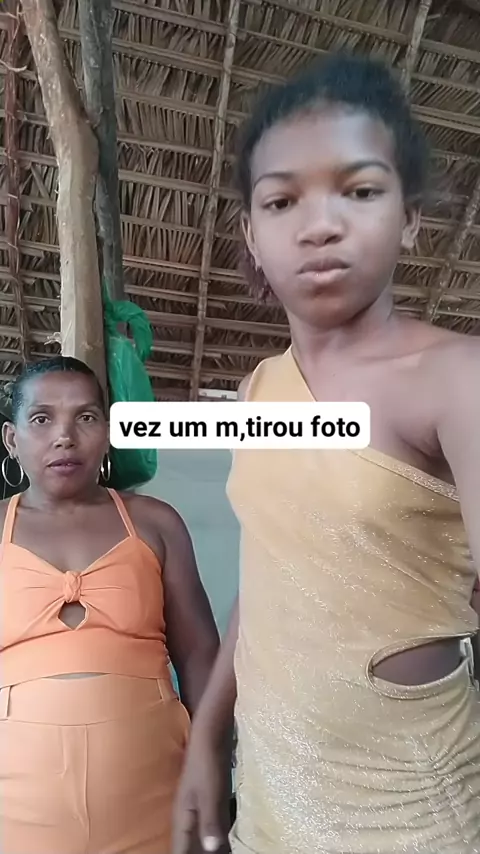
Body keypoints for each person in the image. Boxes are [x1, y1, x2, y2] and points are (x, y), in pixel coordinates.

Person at [172, 52, 480, 854]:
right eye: (282, 201)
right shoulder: (259, 392)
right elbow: (271, 579)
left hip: (412, 810)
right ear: (253, 233)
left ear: (409, 215)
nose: (319, 225)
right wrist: (207, 737)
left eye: (360, 191)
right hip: (271, 798)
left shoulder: (455, 379)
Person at [0, 356, 219, 854]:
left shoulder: (156, 523)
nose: (65, 436)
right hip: (15, 793)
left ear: (106, 430)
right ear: (12, 438)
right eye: (42, 418)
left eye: (85, 416)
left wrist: (212, 757)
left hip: (154, 782)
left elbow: (199, 654)